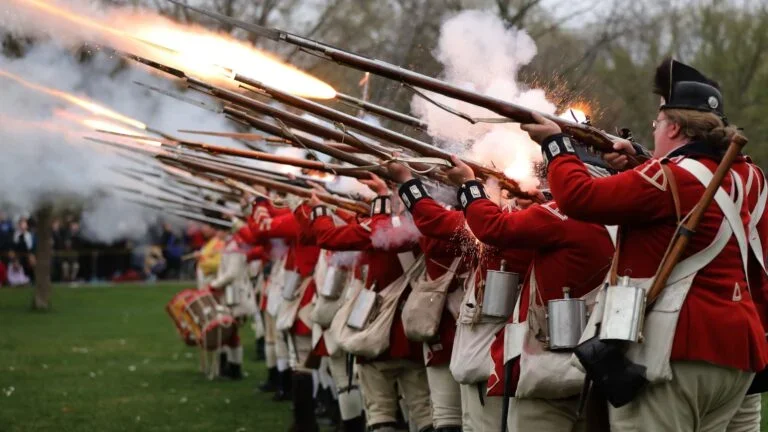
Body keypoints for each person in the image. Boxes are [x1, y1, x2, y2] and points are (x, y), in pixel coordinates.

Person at [519, 58, 768, 431]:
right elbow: (686, 189)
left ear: (675, 127)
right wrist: (638, 161)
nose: (654, 132)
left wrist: (556, 145)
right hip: (739, 353)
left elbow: (579, 197)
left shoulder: (668, 178)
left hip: (677, 349)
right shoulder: (750, 177)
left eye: (657, 125)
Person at [309, 174, 434, 432]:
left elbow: (327, 237)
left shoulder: (381, 228)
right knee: (423, 411)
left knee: (380, 411)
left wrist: (319, 209)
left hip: (375, 328)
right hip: (412, 331)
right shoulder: (425, 224)